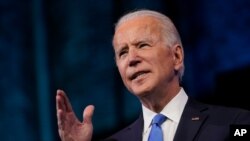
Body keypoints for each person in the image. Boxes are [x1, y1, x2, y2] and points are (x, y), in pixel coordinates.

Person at [56, 9, 250, 141]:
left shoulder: (236, 124)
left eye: (143, 45)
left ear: (176, 56)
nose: (131, 58)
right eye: (123, 52)